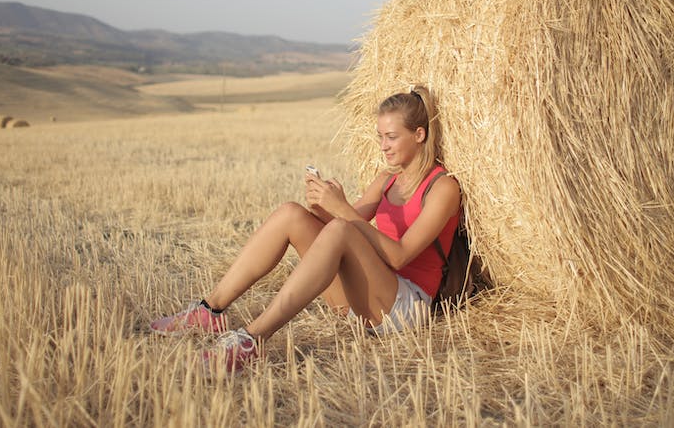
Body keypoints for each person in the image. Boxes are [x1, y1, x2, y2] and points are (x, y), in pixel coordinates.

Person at [149, 85, 461, 374]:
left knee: (340, 227)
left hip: (406, 306)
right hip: (368, 293)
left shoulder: (442, 187)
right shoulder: (387, 179)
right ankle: (209, 310)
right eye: (380, 136)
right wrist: (322, 208)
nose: (383, 146)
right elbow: (346, 232)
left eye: (391, 137)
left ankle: (251, 340)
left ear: (419, 134)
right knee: (292, 214)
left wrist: (341, 210)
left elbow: (398, 256)